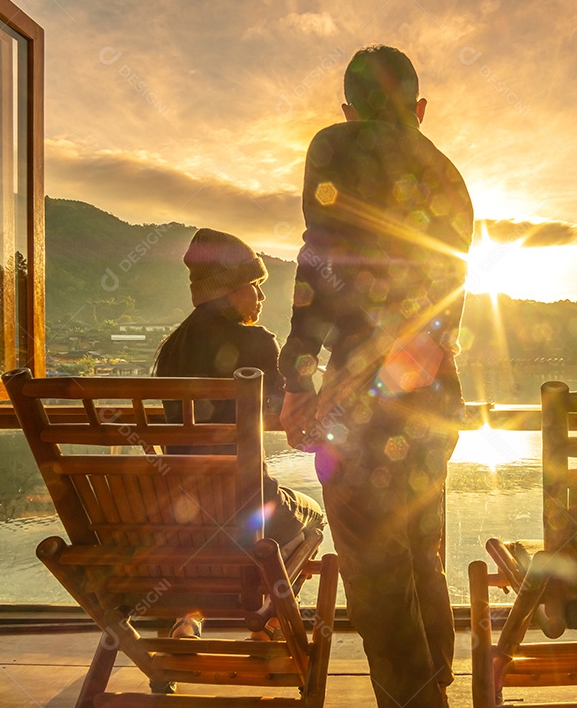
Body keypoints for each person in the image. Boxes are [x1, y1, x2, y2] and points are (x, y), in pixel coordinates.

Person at [278, 45, 473, 708]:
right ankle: (433, 689)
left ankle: (415, 701)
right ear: (420, 109)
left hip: (360, 408)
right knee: (422, 556)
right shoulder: (446, 173)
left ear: (348, 109)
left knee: (376, 573)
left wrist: (298, 378)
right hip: (435, 401)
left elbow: (316, 273)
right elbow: (448, 287)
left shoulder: (334, 148)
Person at [152, 228, 326, 644]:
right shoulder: (255, 342)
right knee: (315, 516)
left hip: (184, 511)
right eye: (253, 286)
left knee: (205, 545)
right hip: (247, 509)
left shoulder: (172, 348)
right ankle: (267, 618)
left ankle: (187, 620)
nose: (261, 298)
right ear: (228, 290)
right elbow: (287, 409)